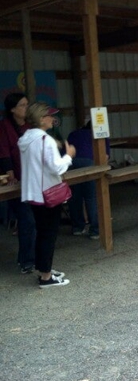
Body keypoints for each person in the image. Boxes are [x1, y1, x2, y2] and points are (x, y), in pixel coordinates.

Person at [18, 103, 75, 288]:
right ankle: (46, 277)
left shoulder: (26, 139)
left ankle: (45, 269)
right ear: (41, 119)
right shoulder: (46, 140)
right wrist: (69, 155)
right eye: (50, 116)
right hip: (48, 194)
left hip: (33, 193)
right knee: (48, 234)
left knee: (42, 233)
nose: (53, 119)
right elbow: (56, 167)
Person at [0, 93, 36, 273]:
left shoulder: (30, 126)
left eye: (27, 104)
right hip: (18, 180)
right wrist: (10, 173)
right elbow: (4, 151)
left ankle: (28, 257)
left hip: (34, 179)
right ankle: (27, 261)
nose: (25, 108)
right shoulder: (5, 126)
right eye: (22, 105)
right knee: (27, 220)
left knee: (33, 220)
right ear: (13, 109)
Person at [66, 120, 109, 240]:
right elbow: (105, 157)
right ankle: (95, 230)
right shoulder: (102, 134)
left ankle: (77, 227)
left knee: (74, 197)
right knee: (91, 197)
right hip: (90, 163)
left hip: (72, 163)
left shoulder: (74, 133)